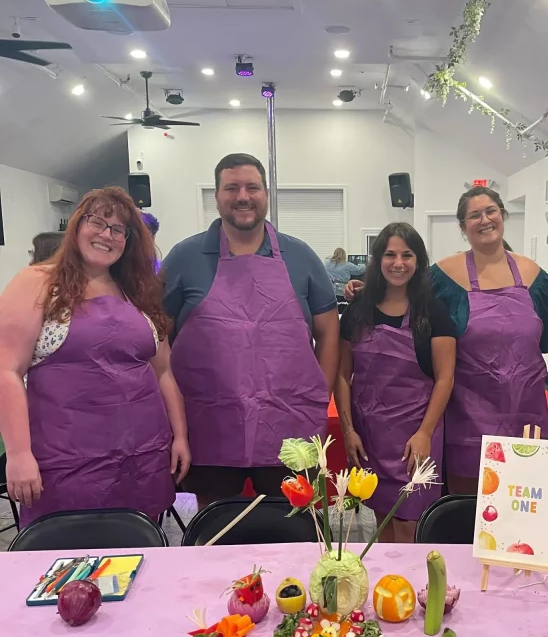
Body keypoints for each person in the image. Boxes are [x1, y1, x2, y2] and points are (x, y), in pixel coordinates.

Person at [346, 187, 548, 493]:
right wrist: (364, 289)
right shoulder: (443, 276)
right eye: (474, 215)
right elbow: (402, 288)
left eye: (490, 211)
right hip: (466, 419)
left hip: (526, 414)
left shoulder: (534, 276)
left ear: (502, 215)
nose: (484, 220)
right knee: (465, 510)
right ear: (463, 227)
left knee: (523, 508)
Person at [0, 187, 190, 526]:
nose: (106, 235)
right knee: (68, 550)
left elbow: (164, 373)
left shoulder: (137, 291)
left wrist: (180, 437)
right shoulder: (37, 282)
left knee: (137, 544)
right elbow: (7, 370)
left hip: (142, 459)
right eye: (97, 222)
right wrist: (18, 454)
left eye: (118, 229)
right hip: (65, 463)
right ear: (77, 225)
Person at [163, 153, 339, 507]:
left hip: (289, 425)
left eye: (252, 187)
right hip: (209, 425)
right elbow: (157, 338)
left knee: (289, 524)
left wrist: (318, 396)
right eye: (232, 188)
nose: (242, 196)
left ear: (266, 194)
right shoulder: (184, 258)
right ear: (216, 196)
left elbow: (329, 331)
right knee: (216, 524)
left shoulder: (301, 256)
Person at [336, 224, 456, 542]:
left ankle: (409, 576)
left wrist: (425, 433)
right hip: (370, 437)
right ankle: (388, 574)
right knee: (381, 518)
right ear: (378, 259)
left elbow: (445, 378)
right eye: (390, 254)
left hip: (414, 436)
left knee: (409, 523)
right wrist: (348, 431)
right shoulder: (357, 310)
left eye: (407, 255)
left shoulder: (433, 311)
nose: (398, 263)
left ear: (419, 261)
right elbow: (342, 375)